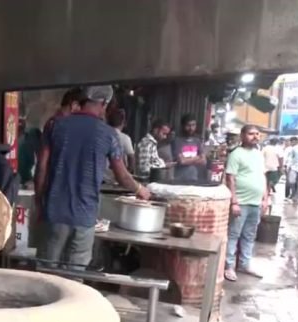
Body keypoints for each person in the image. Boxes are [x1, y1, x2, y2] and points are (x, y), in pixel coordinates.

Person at [34, 86, 150, 269]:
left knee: (45, 273)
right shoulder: (109, 134)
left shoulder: (55, 125)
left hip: (55, 212)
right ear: (103, 104)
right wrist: (140, 189)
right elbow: (122, 176)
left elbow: (41, 168)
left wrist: (39, 202)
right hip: (85, 216)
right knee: (75, 276)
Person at [224, 125, 269, 282]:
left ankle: (244, 264)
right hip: (241, 202)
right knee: (233, 234)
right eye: (251, 134)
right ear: (242, 136)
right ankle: (229, 266)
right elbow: (230, 178)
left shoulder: (259, 154)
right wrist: (234, 202)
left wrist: (265, 198)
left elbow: (263, 177)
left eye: (257, 134)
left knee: (249, 235)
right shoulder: (236, 154)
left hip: (255, 203)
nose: (255, 136)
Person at [172, 113, 207, 183]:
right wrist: (197, 157)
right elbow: (182, 161)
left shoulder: (197, 141)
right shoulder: (177, 141)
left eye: (193, 125)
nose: (191, 128)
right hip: (179, 179)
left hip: (194, 178)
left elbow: (204, 161)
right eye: (188, 125)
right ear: (183, 126)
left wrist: (187, 160)